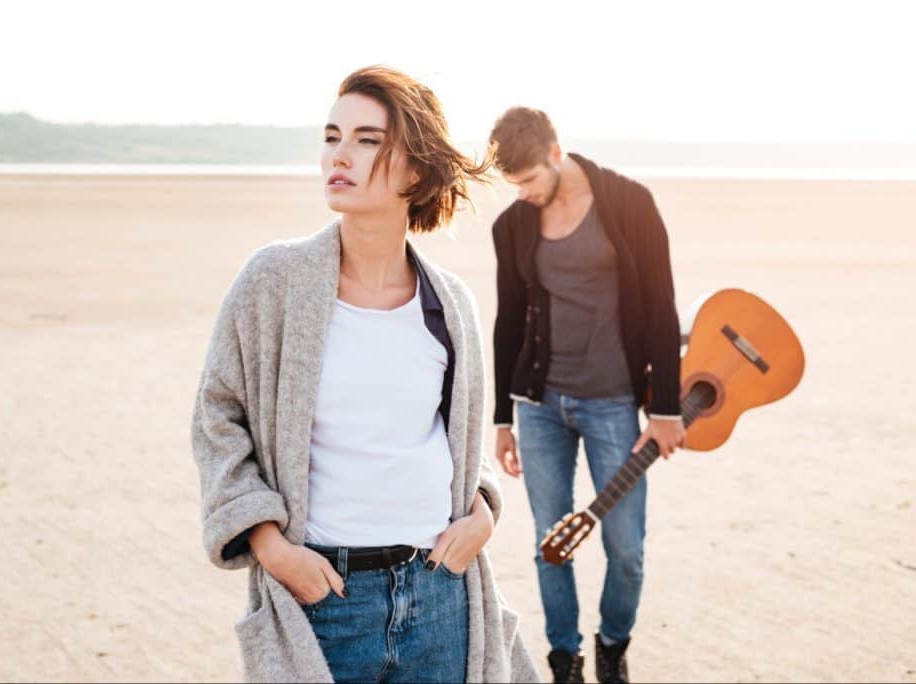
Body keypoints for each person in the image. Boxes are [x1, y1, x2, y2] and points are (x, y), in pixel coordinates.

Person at [191, 67, 539, 683]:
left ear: (416, 169)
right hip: (324, 596)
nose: (340, 155)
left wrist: (483, 511)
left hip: (439, 594)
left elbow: (462, 438)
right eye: (332, 136)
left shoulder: (450, 301)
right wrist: (273, 549)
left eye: (367, 139)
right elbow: (218, 416)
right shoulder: (275, 281)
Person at [487, 107, 685, 684]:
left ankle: (613, 643)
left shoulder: (630, 204)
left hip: (613, 402)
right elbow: (507, 326)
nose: (521, 194)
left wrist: (666, 408)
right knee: (551, 542)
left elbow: (661, 307)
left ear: (555, 152)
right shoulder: (512, 226)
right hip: (540, 406)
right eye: (512, 184)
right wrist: (502, 418)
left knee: (626, 547)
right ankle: (564, 658)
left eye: (527, 180)